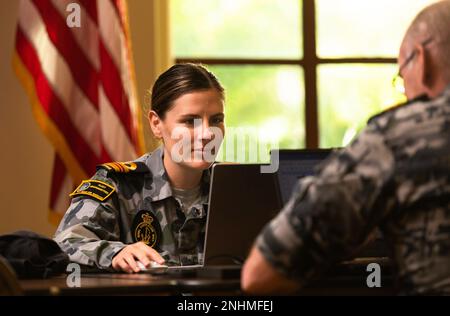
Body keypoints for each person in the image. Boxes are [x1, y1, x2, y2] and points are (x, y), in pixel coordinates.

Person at [242, 1, 450, 295]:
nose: (404, 95)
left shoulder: (397, 136)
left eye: (402, 78)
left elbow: (260, 273)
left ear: (422, 59)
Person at [54, 63, 225, 273]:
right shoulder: (118, 185)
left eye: (216, 120)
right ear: (156, 124)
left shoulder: (235, 188)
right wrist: (114, 253)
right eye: (190, 121)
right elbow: (65, 242)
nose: (207, 134)